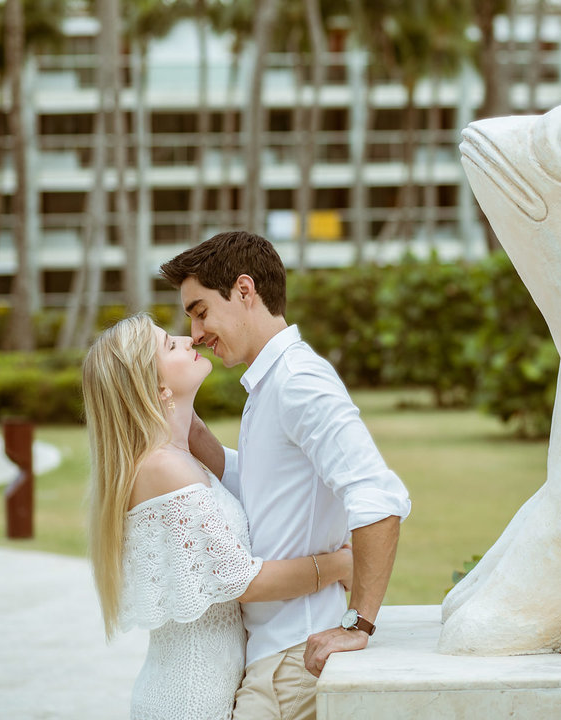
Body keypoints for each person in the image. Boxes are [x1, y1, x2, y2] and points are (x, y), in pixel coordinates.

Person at [160, 232, 411, 720]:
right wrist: (189, 428)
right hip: (274, 657)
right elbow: (260, 486)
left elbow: (378, 497)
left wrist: (358, 624)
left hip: (292, 663)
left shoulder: (297, 380)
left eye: (200, 310)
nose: (194, 332)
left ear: (245, 290)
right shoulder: (270, 383)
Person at [82, 313, 354, 720]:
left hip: (209, 686)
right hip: (192, 697)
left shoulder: (178, 457)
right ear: (155, 387)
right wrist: (341, 564)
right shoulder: (163, 469)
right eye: (170, 345)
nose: (189, 339)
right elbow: (242, 580)